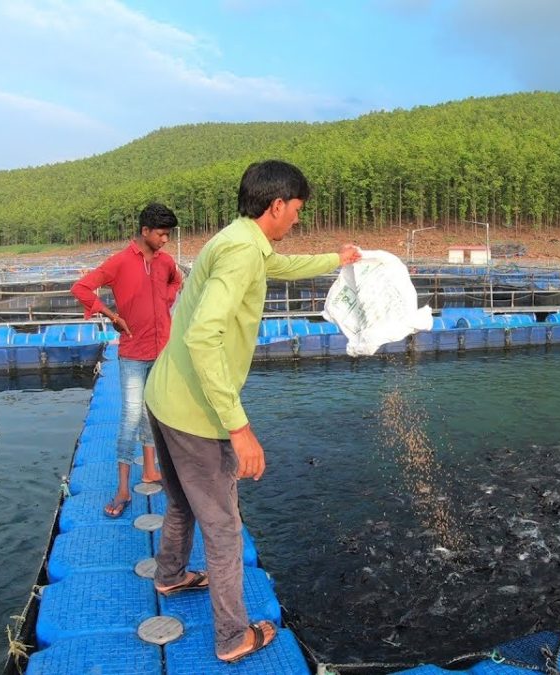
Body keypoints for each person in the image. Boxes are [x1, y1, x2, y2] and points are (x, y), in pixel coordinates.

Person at [144, 160, 360, 663]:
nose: (297, 221)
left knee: (179, 501)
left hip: (164, 394)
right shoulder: (243, 252)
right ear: (276, 205)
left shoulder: (238, 239)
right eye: (297, 211)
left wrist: (337, 257)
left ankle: (171, 575)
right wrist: (239, 427)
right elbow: (203, 336)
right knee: (223, 527)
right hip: (195, 414)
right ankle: (232, 637)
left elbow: (278, 266)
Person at [71, 202, 182, 518]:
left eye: (167, 235)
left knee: (153, 412)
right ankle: (122, 488)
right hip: (133, 353)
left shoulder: (166, 262)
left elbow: (176, 281)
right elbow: (81, 288)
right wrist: (110, 315)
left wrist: (166, 299)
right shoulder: (120, 262)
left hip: (162, 352)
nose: (164, 240)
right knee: (131, 416)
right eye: (160, 234)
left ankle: (150, 470)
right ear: (145, 231)